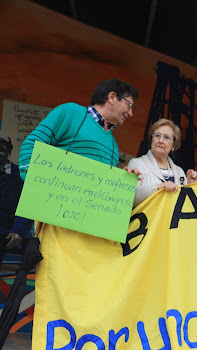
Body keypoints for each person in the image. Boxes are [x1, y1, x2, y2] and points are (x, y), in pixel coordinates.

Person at [19, 79, 141, 180]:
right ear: (112, 97)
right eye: (129, 105)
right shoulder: (70, 112)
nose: (131, 113)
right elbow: (31, 145)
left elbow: (102, 186)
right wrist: (34, 182)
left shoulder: (114, 146)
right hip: (47, 203)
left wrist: (123, 178)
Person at [127, 119, 197, 207]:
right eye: (157, 135)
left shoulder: (179, 171)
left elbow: (187, 206)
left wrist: (192, 185)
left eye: (166, 137)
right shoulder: (137, 164)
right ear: (151, 140)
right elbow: (129, 198)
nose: (160, 140)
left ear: (173, 146)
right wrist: (158, 187)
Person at [0, 134, 33, 266]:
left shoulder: (19, 176)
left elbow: (28, 204)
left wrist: (19, 230)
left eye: (2, 148)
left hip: (4, 232)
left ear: (9, 152)